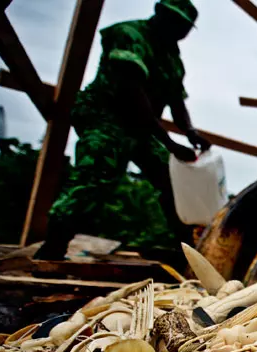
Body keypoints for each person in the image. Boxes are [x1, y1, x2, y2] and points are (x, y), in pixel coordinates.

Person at [37, 0, 209, 259]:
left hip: (141, 127)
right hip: (106, 116)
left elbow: (176, 101)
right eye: (180, 26)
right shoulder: (128, 35)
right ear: (162, 16)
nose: (183, 33)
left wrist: (190, 132)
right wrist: (170, 143)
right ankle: (53, 246)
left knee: (173, 179)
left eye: (187, 28)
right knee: (96, 175)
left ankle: (187, 250)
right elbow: (132, 95)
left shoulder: (172, 58)